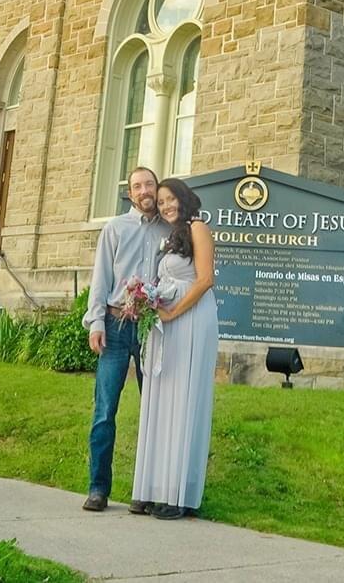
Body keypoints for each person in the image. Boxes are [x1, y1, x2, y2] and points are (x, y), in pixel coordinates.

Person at [131, 177, 219, 520]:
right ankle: (153, 488)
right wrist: (145, 299)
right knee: (162, 400)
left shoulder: (198, 227)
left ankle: (179, 494)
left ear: (184, 199)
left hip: (193, 320)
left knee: (183, 401)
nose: (166, 205)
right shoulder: (169, 237)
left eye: (171, 200)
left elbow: (205, 279)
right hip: (165, 320)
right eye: (162, 201)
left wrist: (173, 313)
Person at [82, 164, 165, 513]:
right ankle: (98, 488)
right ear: (129, 193)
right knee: (105, 411)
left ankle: (148, 491)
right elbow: (101, 278)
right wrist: (95, 322)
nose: (144, 190)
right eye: (137, 186)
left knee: (156, 411)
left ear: (157, 189)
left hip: (153, 329)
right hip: (115, 327)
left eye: (149, 184)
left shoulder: (170, 229)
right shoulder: (115, 228)